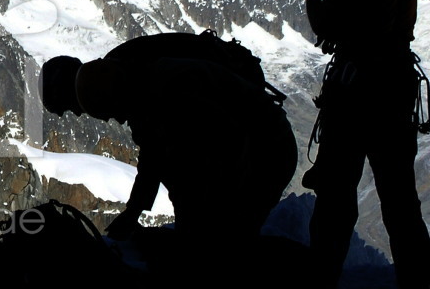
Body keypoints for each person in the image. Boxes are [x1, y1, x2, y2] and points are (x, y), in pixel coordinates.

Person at [300, 0, 430, 289]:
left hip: (358, 96)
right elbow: (381, 10)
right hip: (394, 89)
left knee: (336, 194)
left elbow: (328, 27)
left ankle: (321, 285)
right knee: (400, 197)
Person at [40, 34, 297, 252]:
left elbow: (213, 150)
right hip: (258, 141)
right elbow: (157, 152)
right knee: (217, 241)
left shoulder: (168, 94)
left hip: (267, 148)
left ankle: (301, 283)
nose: (116, 119)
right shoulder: (132, 78)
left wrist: (197, 223)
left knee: (226, 246)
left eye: (111, 113)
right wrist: (135, 211)